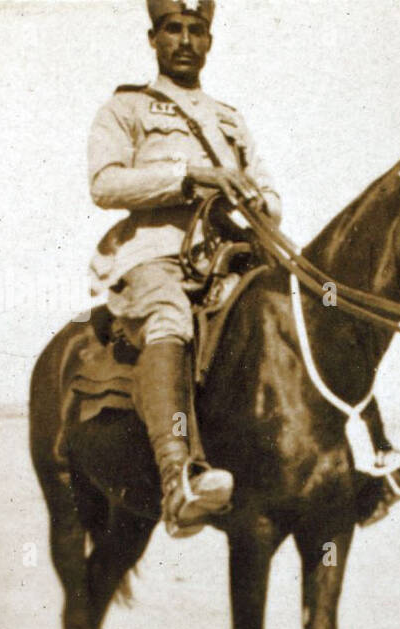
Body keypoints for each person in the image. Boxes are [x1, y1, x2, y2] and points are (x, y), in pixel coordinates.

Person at [87, 0, 282, 536]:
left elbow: (266, 185)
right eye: (173, 29)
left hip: (229, 253)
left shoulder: (229, 120)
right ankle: (179, 483)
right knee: (170, 316)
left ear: (209, 41)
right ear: (154, 38)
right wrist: (188, 176)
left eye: (196, 30)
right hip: (155, 253)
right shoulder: (126, 108)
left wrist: (259, 200)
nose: (185, 40)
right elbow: (103, 183)